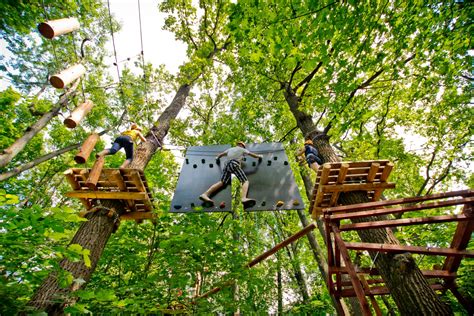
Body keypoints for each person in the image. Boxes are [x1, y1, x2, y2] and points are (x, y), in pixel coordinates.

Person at [199, 141, 263, 207]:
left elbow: (220, 155)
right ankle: (243, 198)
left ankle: (205, 194)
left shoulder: (230, 149)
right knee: (245, 181)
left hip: (227, 166)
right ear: (241, 145)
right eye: (243, 146)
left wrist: (217, 158)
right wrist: (259, 156)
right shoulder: (242, 149)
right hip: (234, 164)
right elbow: (252, 155)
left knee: (222, 182)